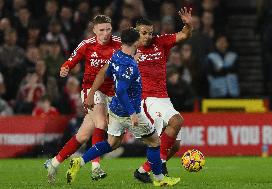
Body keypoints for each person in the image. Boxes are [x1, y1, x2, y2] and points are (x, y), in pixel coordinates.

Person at [68, 28, 180, 187]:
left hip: (114, 109)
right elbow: (120, 91)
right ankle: (160, 179)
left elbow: (110, 73)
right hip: (128, 111)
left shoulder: (117, 56)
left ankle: (80, 161)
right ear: (135, 42)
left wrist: (133, 60)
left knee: (111, 143)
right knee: (155, 142)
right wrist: (133, 113)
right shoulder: (129, 65)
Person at [44, 15, 121, 183]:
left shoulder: (118, 43)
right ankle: (95, 167)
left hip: (111, 93)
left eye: (108, 29)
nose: (106, 33)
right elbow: (71, 60)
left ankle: (54, 162)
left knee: (83, 135)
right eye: (102, 30)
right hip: (90, 91)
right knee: (101, 123)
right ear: (94, 30)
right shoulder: (86, 44)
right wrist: (65, 68)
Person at [133, 7, 193, 183]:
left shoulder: (161, 42)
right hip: (147, 99)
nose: (148, 36)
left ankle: (143, 170)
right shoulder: (130, 50)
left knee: (174, 145)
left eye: (150, 33)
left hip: (164, 97)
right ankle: (161, 167)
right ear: (136, 33)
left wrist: (188, 24)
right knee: (177, 121)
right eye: (144, 33)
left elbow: (184, 35)